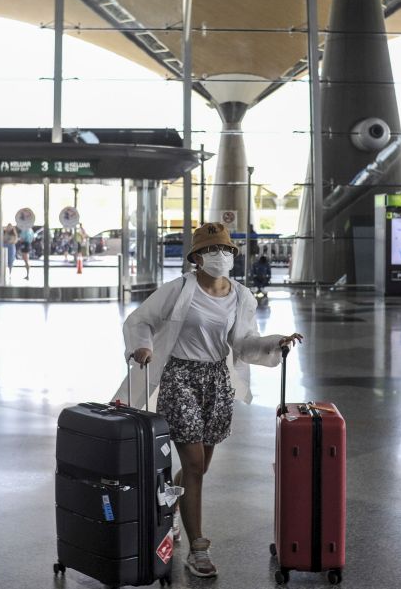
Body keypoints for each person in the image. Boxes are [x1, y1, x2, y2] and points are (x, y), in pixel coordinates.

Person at [119, 222, 303, 578]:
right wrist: (142, 346)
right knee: (193, 465)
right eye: (210, 250)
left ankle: (168, 507)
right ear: (196, 258)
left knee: (199, 468)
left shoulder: (241, 296)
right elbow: (140, 320)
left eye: (225, 250)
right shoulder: (178, 290)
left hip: (216, 380)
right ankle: (197, 548)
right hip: (180, 378)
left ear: (233, 255)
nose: (219, 256)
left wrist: (276, 342)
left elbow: (244, 343)